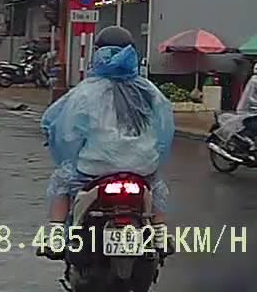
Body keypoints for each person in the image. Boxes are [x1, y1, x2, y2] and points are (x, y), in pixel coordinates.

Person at [38, 25, 174, 254]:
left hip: (93, 168)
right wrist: (152, 155)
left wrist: (66, 154)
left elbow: (63, 129)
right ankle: (160, 234)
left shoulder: (84, 92)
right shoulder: (150, 91)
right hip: (142, 168)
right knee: (156, 187)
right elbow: (165, 129)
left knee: (62, 182)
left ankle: (56, 236)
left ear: (98, 53)